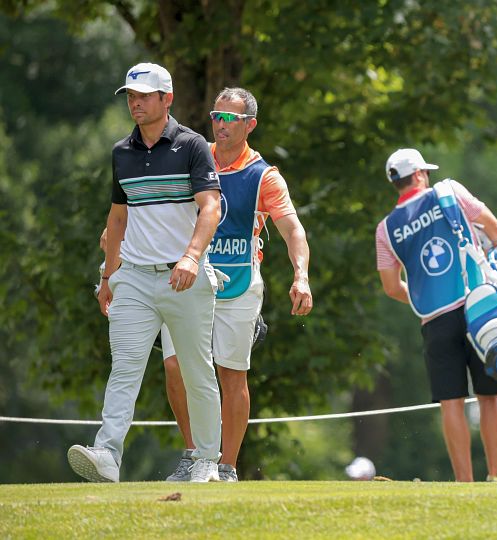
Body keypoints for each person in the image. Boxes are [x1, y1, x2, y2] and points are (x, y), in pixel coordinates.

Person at [68, 62, 223, 483]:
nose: (135, 103)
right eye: (130, 97)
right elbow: (117, 219)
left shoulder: (192, 146)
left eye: (143, 96)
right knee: (125, 368)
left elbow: (211, 207)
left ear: (166, 98)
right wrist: (106, 277)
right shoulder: (122, 152)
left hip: (184, 275)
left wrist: (192, 257)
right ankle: (108, 456)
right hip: (133, 277)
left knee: (196, 370)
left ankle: (208, 460)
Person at [159, 87, 313, 482]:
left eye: (230, 118)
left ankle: (226, 466)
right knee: (175, 366)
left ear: (250, 125)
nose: (221, 125)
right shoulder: (194, 157)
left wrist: (301, 276)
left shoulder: (265, 176)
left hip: (239, 283)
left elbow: (293, 230)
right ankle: (195, 456)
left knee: (231, 374)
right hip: (188, 279)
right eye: (216, 117)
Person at [376, 148, 497, 482]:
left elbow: (391, 287)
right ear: (419, 174)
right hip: (477, 306)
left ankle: (464, 481)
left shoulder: (386, 229)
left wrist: (421, 298)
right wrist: (493, 252)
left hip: (434, 320)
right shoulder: (450, 191)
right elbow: (493, 227)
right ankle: (496, 475)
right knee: (489, 395)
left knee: (451, 401)